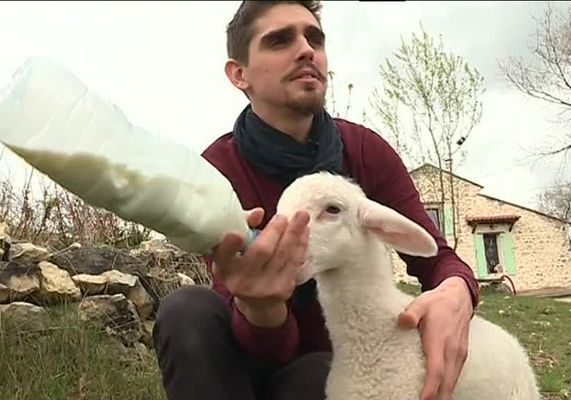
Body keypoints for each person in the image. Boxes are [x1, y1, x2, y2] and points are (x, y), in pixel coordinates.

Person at [152, 1, 480, 400]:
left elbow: (438, 258)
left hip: (334, 367)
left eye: (315, 38)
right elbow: (269, 345)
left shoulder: (364, 151)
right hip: (238, 362)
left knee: (318, 374)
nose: (306, 49)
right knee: (186, 311)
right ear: (239, 74)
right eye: (279, 40)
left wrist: (456, 292)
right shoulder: (216, 173)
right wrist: (262, 305)